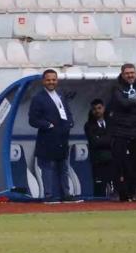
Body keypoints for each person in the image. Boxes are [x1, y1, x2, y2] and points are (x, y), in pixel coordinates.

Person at [28, 69, 75, 201]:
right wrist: (48, 125)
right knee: (47, 168)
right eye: (48, 80)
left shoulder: (60, 95)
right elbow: (33, 120)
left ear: (57, 81)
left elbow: (67, 112)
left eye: (53, 79)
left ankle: (66, 194)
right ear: (43, 81)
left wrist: (70, 123)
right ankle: (49, 195)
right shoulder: (38, 98)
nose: (51, 82)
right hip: (47, 138)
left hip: (62, 138)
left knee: (64, 168)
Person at [107, 63, 136, 202]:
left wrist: (132, 104)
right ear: (122, 74)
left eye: (132, 72)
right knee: (118, 162)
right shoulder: (117, 87)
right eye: (127, 73)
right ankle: (118, 192)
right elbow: (122, 103)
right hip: (120, 130)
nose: (130, 75)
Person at [84, 99, 113, 198]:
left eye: (99, 108)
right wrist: (108, 139)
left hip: (113, 160)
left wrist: (101, 138)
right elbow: (94, 142)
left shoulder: (111, 123)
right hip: (98, 161)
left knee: (115, 189)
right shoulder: (88, 125)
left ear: (103, 108)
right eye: (94, 109)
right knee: (99, 189)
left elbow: (114, 140)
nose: (97, 111)